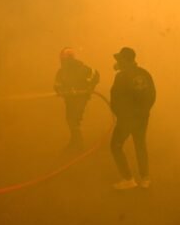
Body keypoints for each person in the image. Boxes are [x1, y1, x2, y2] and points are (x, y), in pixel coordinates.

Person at [110, 47, 156, 189]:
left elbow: (115, 99)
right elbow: (152, 95)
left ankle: (128, 179)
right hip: (142, 117)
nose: (117, 62)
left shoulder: (121, 76)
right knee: (140, 144)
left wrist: (121, 115)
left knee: (115, 146)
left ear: (125, 60)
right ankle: (145, 179)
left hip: (126, 119)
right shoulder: (144, 73)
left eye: (119, 60)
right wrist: (144, 112)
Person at [54, 47, 99, 150]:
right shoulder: (62, 71)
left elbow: (95, 75)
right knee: (70, 119)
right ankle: (75, 141)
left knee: (74, 119)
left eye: (64, 59)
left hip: (80, 99)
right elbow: (57, 83)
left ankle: (78, 143)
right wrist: (60, 90)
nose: (63, 61)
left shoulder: (82, 68)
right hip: (69, 99)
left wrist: (89, 87)